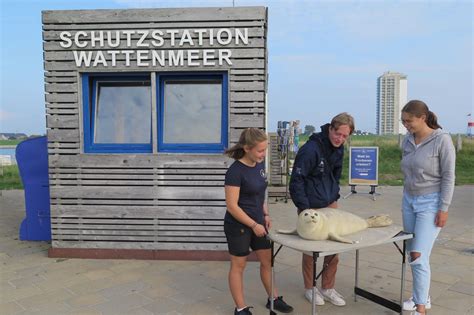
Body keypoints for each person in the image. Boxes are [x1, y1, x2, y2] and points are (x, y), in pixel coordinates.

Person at [224, 128, 293, 315]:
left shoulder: (259, 165)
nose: (264, 154)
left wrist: (266, 214)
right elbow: (232, 206)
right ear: (247, 148)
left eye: (265, 149)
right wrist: (253, 225)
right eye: (260, 150)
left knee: (267, 262)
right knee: (238, 266)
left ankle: (273, 299)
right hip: (239, 225)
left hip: (259, 223)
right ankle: (241, 309)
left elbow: (261, 193)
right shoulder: (235, 171)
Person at [289, 113, 355, 306]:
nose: (340, 139)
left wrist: (334, 197)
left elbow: (336, 175)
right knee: (312, 250)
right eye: (338, 134)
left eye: (345, 136)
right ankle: (310, 288)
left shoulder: (339, 148)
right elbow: (296, 181)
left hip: (330, 203)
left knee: (334, 247)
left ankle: (327, 287)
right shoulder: (310, 150)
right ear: (330, 129)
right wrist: (303, 209)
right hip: (310, 206)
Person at [400, 100, 456, 315]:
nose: (406, 125)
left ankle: (420, 308)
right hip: (408, 201)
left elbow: (449, 176)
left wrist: (444, 208)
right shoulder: (407, 140)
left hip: (431, 202)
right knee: (412, 252)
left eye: (409, 121)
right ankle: (421, 295)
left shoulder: (442, 140)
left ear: (423, 118)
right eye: (403, 121)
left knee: (417, 255)